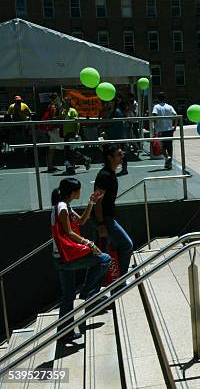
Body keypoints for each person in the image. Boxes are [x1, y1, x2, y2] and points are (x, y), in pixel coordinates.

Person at [51, 178, 110, 340]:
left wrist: (91, 202)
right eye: (78, 190)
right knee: (104, 259)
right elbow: (70, 233)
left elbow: (82, 221)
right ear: (72, 192)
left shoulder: (64, 206)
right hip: (65, 257)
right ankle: (88, 292)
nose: (80, 192)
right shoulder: (62, 209)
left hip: (60, 257)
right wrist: (89, 243)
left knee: (68, 295)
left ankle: (64, 332)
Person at [91, 144, 134, 291]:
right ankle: (118, 282)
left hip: (106, 218)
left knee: (102, 254)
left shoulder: (110, 173)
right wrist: (101, 224)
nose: (122, 156)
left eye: (122, 153)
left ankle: (97, 289)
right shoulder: (105, 176)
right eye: (119, 154)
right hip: (104, 220)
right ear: (110, 157)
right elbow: (97, 201)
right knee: (126, 245)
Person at [61, 98, 91, 175]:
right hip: (66, 134)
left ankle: (71, 168)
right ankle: (85, 160)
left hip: (72, 133)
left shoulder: (72, 111)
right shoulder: (63, 111)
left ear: (68, 103)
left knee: (70, 152)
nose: (63, 104)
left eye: (64, 102)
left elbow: (77, 123)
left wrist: (77, 133)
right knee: (70, 151)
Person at [152, 92, 178, 170]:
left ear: (158, 99)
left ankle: (167, 158)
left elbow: (154, 117)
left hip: (160, 130)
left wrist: (154, 127)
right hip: (169, 129)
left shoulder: (156, 107)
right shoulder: (169, 107)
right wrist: (175, 127)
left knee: (162, 147)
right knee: (169, 146)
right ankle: (169, 163)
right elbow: (176, 115)